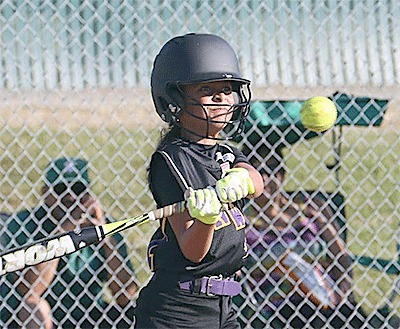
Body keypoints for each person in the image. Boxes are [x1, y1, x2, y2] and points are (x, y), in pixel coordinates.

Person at [133, 33, 264, 329]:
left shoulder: (227, 152)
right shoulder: (170, 162)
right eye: (208, 89)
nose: (222, 98)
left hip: (223, 309)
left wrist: (243, 177)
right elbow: (194, 251)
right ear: (175, 99)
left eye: (228, 89)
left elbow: (258, 183)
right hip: (177, 312)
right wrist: (207, 217)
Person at [239, 144, 369, 328]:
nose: (267, 178)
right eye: (259, 171)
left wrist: (344, 286)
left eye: (273, 170)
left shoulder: (312, 208)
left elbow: (340, 255)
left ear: (282, 175)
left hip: (323, 293)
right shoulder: (241, 219)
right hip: (277, 301)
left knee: (351, 318)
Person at [0, 157, 137, 329]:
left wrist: (106, 238)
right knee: (33, 308)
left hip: (90, 315)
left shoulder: (104, 224)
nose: (71, 197)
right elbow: (30, 290)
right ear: (44, 192)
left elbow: (126, 294)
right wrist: (64, 232)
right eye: (61, 189)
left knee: (135, 312)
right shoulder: (24, 223)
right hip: (44, 316)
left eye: (78, 189)